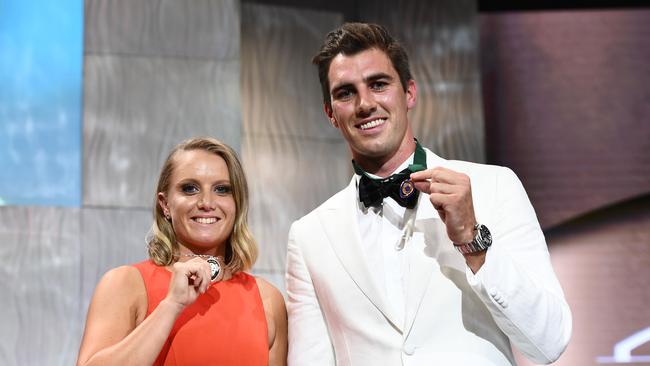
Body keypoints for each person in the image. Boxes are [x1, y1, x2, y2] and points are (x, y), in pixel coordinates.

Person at [286, 22, 571, 365]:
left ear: (409, 93)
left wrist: (473, 242)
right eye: (346, 92)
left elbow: (549, 341)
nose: (364, 104)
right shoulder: (309, 236)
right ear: (330, 113)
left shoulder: (495, 186)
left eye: (378, 84)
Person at [77, 137, 287, 366]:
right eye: (190, 188)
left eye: (222, 189)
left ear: (237, 204)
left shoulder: (268, 299)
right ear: (165, 204)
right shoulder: (125, 284)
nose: (207, 202)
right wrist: (171, 305)